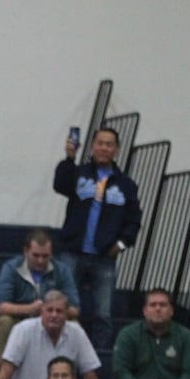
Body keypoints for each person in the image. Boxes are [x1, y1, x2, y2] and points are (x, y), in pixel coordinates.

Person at [53, 126, 142, 348]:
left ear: (117, 149)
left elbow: (134, 220)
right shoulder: (79, 173)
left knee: (103, 313)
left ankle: (98, 359)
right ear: (92, 146)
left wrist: (121, 244)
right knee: (66, 307)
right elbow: (60, 185)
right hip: (73, 252)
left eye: (109, 144)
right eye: (100, 143)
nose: (104, 148)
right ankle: (63, 352)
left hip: (105, 258)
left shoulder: (126, 185)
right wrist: (69, 158)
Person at [0, 291, 101, 379]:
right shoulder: (23, 329)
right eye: (50, 310)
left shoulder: (77, 332)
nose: (54, 315)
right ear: (41, 312)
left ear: (66, 314)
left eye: (59, 311)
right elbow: (6, 370)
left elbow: (90, 373)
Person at [0, 228, 81, 364]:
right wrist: (30, 308)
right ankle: (0, 377)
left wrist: (51, 310)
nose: (40, 260)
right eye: (36, 255)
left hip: (52, 319)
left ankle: (66, 373)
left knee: (74, 325)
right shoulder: (11, 268)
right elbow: (1, 306)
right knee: (4, 322)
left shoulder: (62, 270)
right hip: (20, 320)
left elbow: (75, 309)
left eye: (45, 256)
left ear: (51, 254)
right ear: (26, 251)